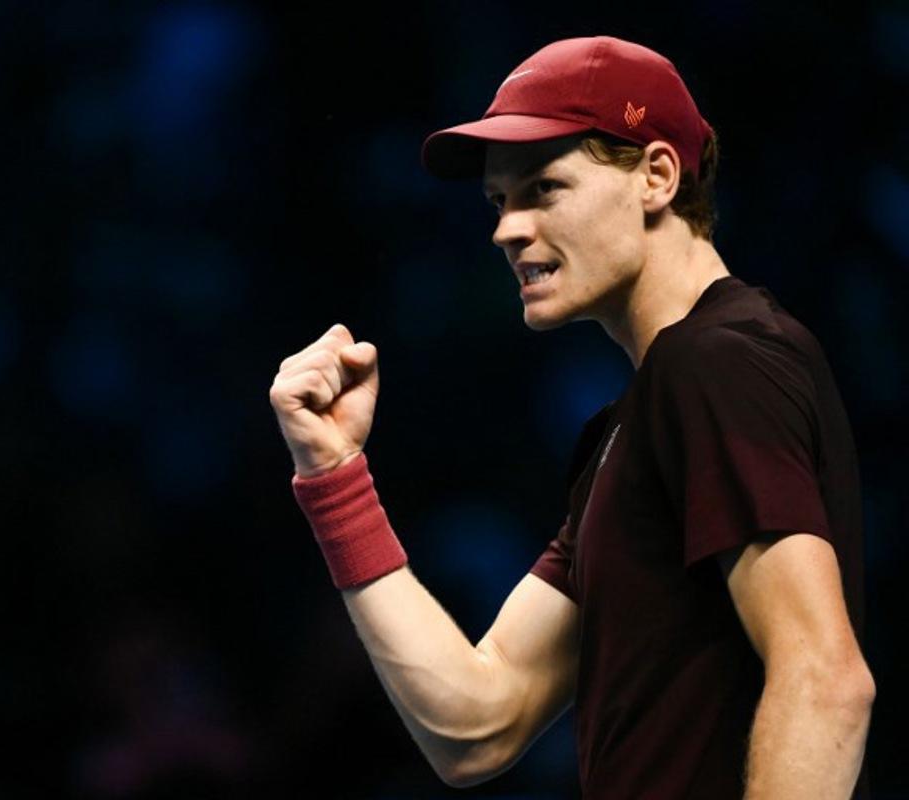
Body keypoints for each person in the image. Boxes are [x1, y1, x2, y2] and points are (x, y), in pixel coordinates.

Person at [267, 36, 874, 798]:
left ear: (657, 175)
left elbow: (825, 681)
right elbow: (479, 724)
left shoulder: (716, 361)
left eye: (543, 189)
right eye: (497, 201)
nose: (505, 229)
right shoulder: (640, 418)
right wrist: (334, 478)